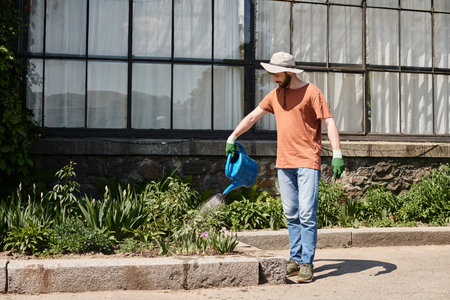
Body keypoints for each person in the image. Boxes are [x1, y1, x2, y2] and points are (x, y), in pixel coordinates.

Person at [225, 52, 345, 283]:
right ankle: (295, 257)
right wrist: (232, 137)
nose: (273, 79)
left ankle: (307, 263)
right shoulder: (276, 95)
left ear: (289, 73)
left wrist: (337, 153)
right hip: (284, 162)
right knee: (291, 213)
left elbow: (328, 121)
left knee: (307, 213)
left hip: (308, 161)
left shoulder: (312, 92)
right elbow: (252, 117)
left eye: (277, 75)